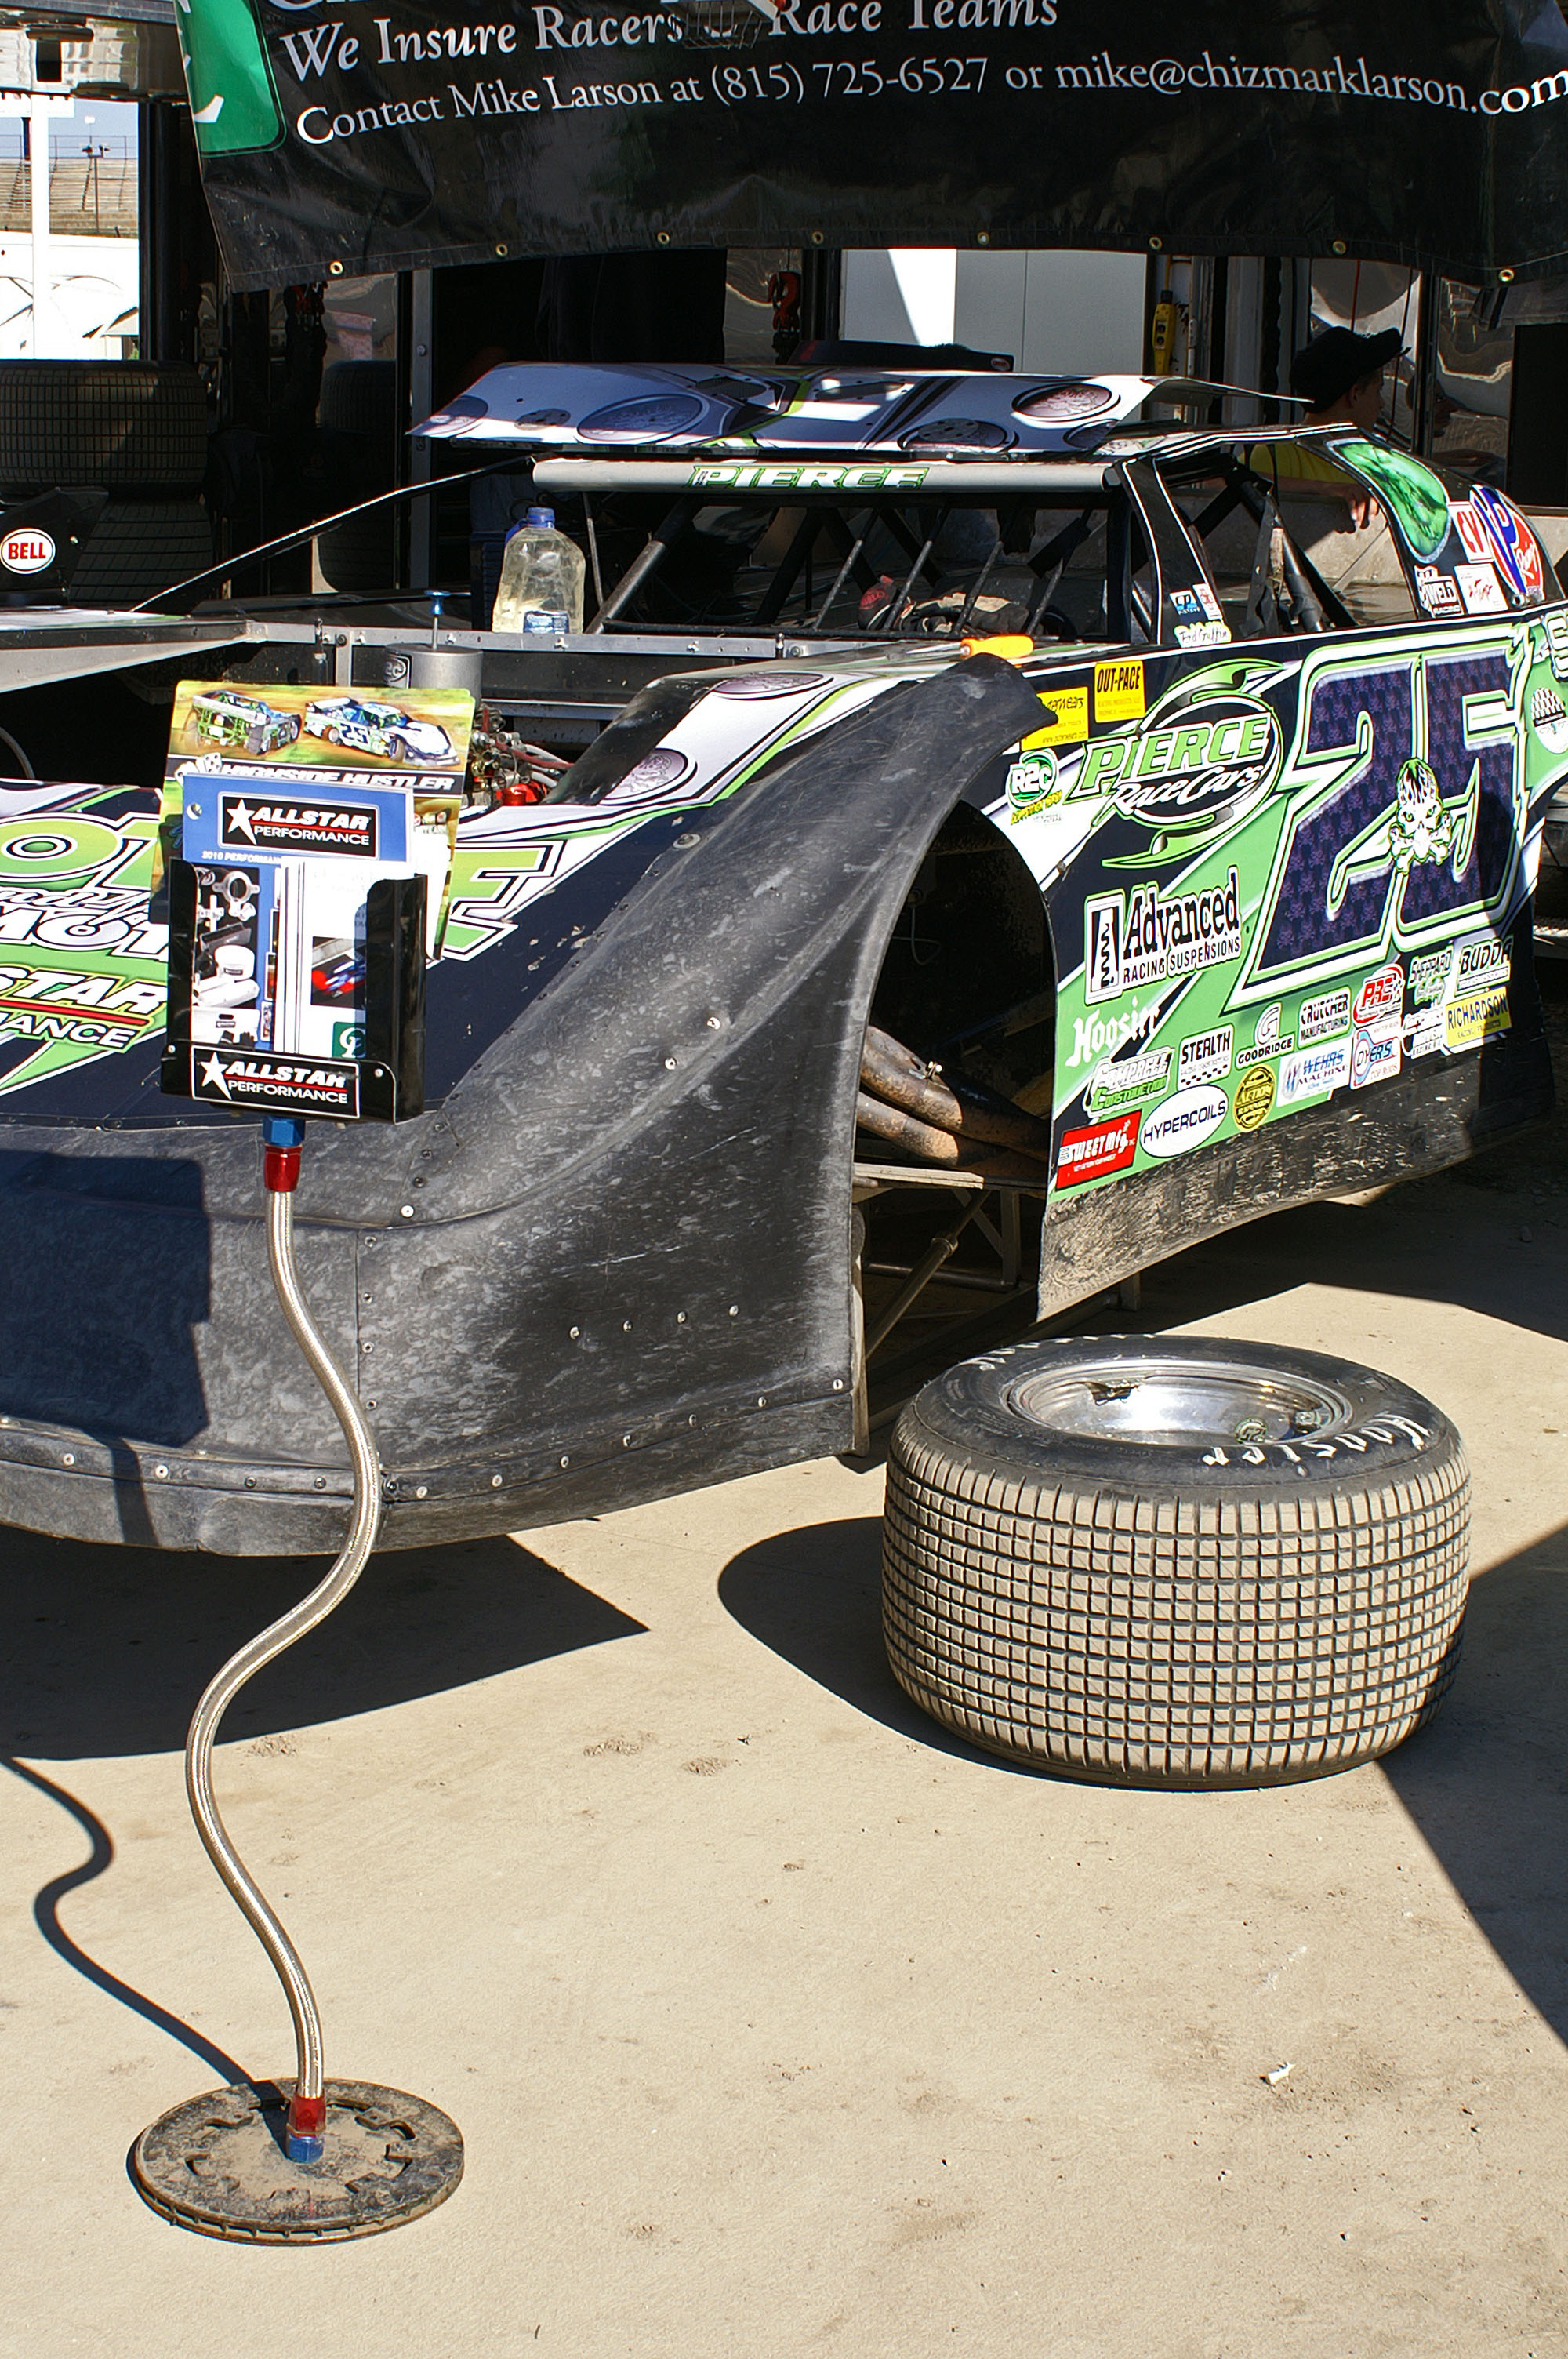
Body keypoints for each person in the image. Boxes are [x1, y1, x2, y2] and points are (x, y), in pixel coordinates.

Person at [1250, 325, 1404, 529]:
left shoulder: (1375, 459)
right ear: (1355, 394)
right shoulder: (1275, 453)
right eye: (1377, 391)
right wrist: (1325, 489)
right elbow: (1219, 484)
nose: (1381, 404)